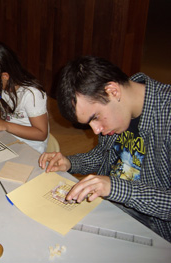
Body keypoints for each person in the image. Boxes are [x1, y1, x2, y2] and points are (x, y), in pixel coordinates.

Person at [38, 56, 171, 242]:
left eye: (95, 117)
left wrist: (116, 188)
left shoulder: (166, 114)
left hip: (154, 231)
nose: (96, 130)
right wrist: (70, 163)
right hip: (108, 208)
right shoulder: (117, 112)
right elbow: (104, 155)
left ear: (113, 91)